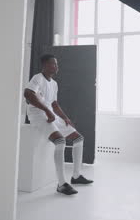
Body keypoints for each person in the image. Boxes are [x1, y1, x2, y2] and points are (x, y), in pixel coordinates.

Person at [24, 54, 93, 196]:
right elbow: (28, 94)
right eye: (53, 64)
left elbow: (54, 104)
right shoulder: (37, 78)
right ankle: (61, 184)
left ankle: (76, 176)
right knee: (60, 141)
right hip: (38, 115)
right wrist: (47, 111)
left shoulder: (54, 84)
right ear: (44, 65)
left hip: (50, 114)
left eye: (56, 64)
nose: (56, 66)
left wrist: (65, 118)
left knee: (78, 138)